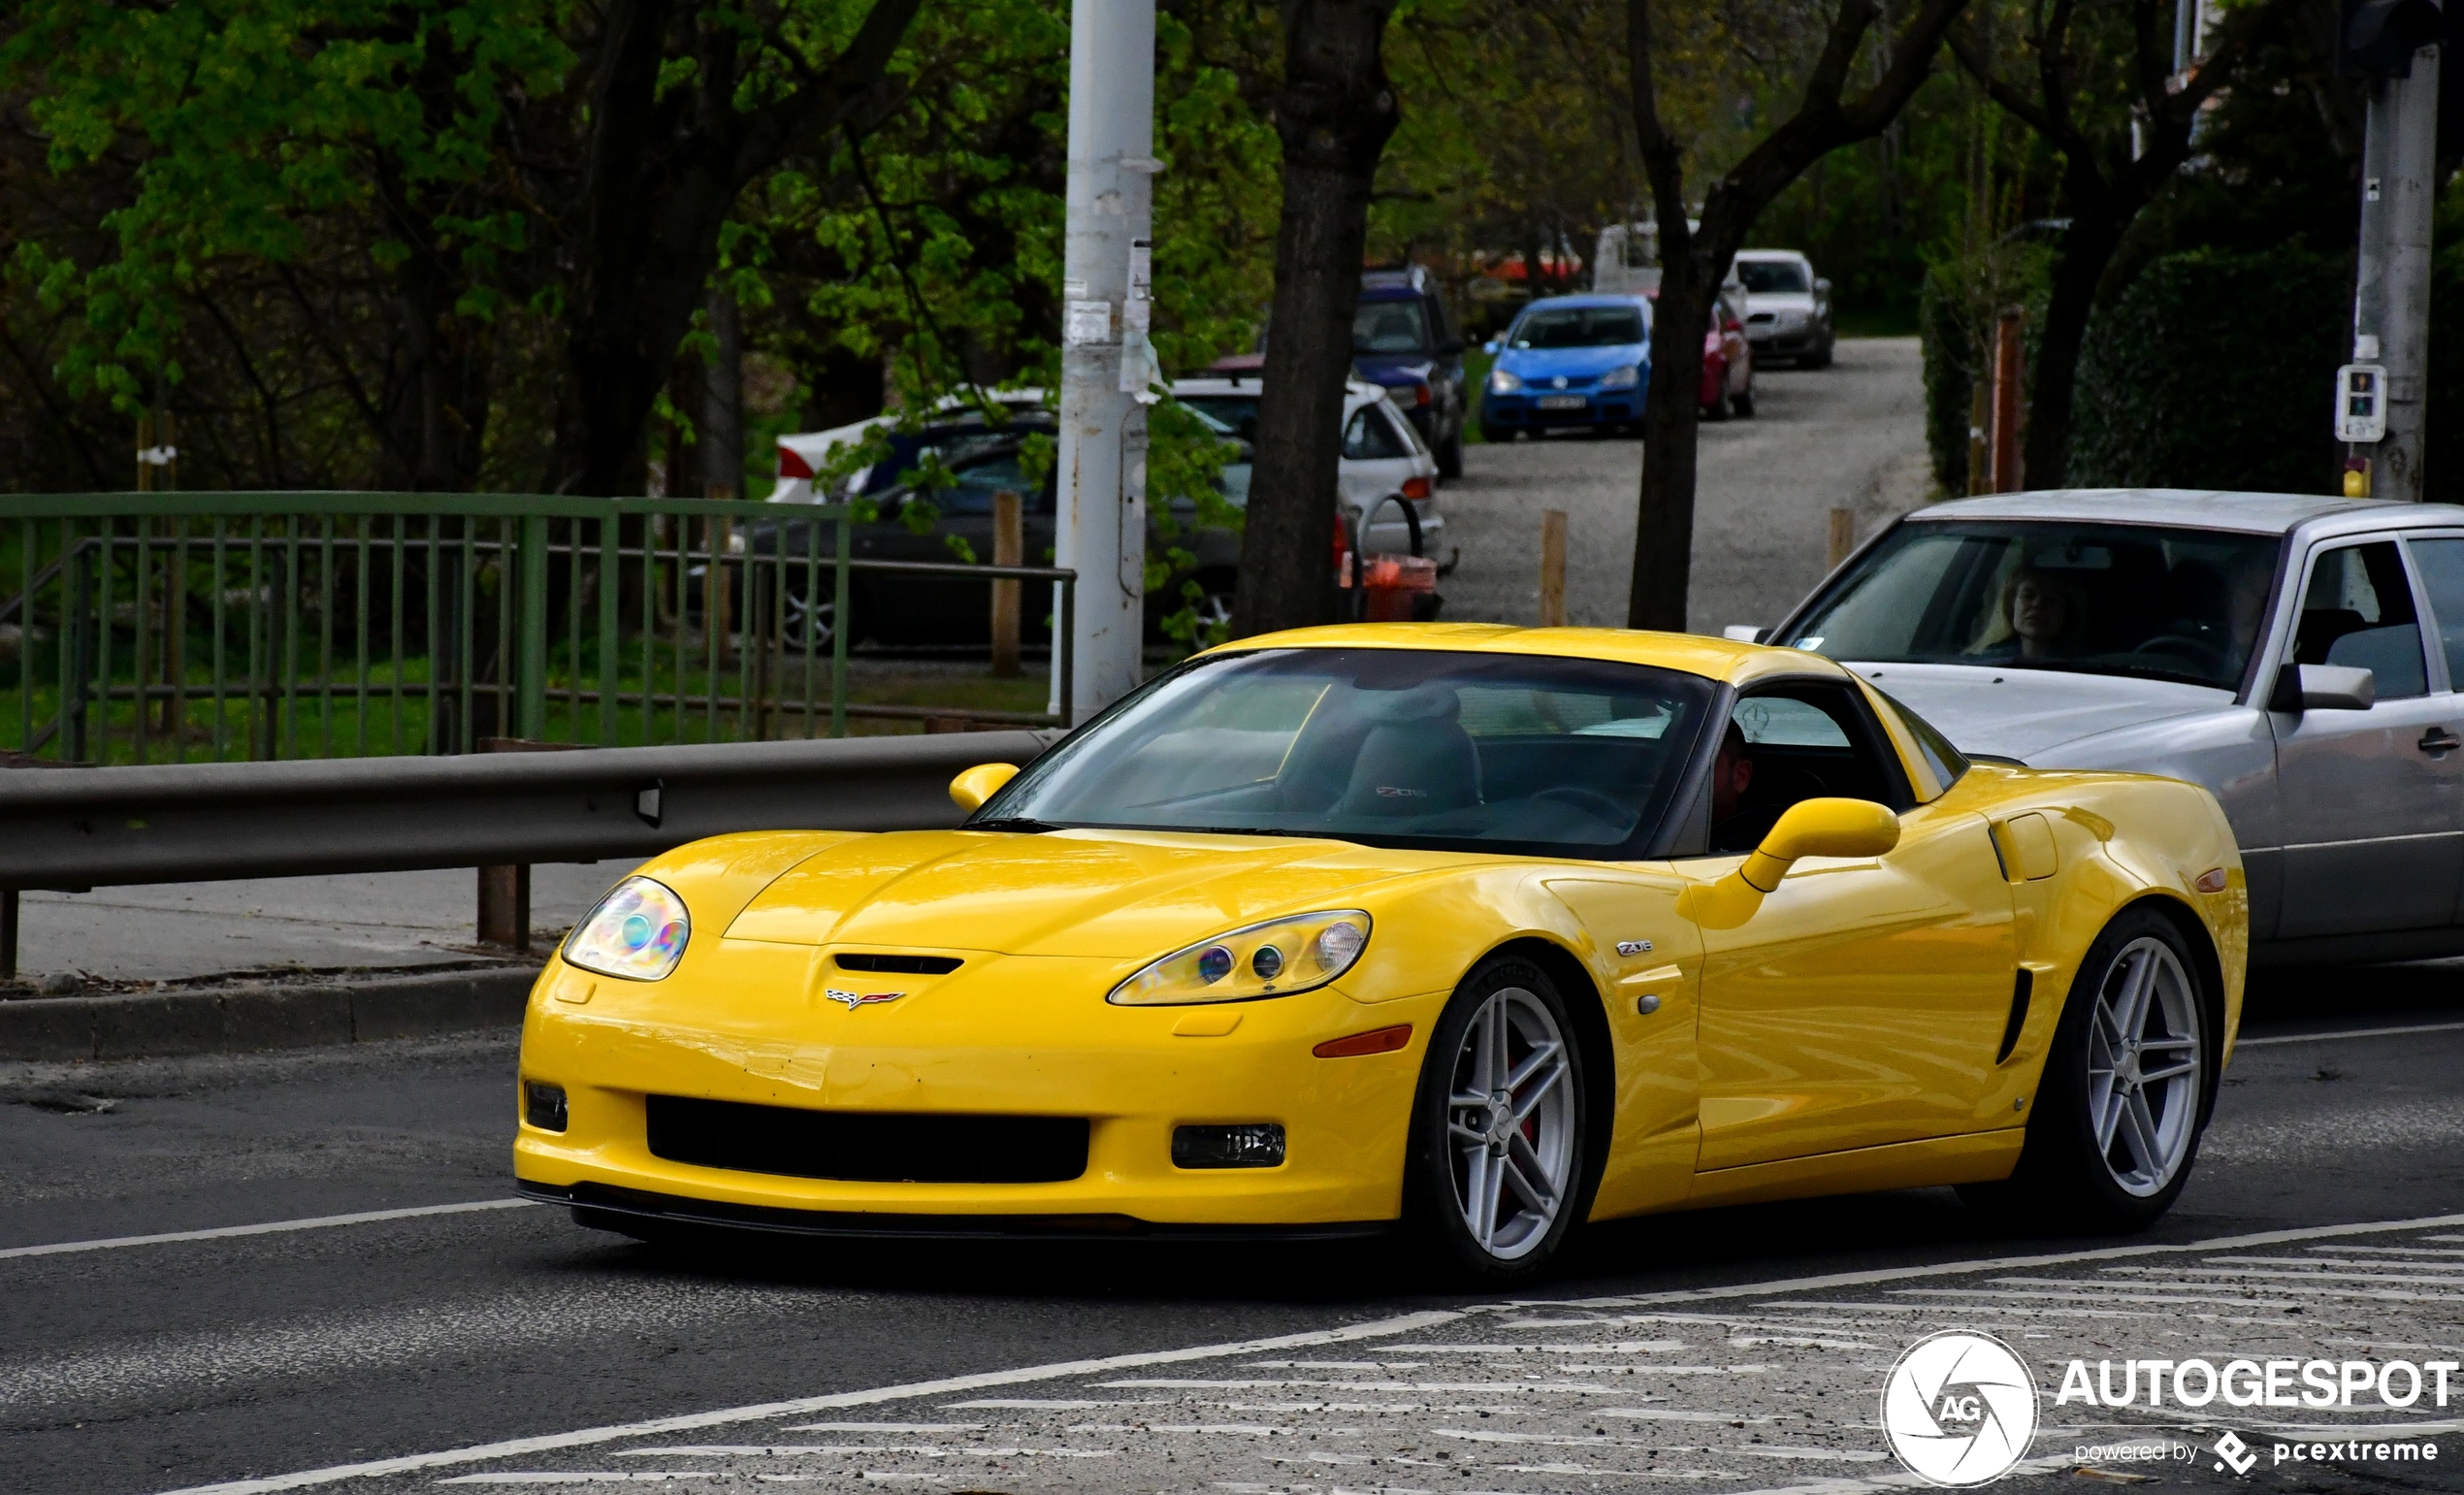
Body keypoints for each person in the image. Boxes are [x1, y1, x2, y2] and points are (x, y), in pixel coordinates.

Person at [1973, 565, 2088, 662]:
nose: (2038, 604)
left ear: (2066, 611)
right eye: (2028, 596)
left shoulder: (2083, 665)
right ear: (2012, 605)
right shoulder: (1989, 660)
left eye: (2050, 599)